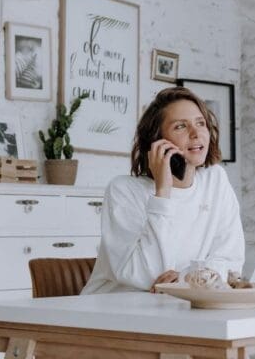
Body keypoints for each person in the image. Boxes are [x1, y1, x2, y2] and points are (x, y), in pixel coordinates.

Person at [81, 86, 245, 294]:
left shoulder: (216, 180)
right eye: (180, 127)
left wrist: (184, 279)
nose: (196, 134)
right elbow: (146, 276)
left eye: (200, 123)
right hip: (112, 311)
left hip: (177, 308)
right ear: (157, 140)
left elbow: (231, 261)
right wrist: (163, 191)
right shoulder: (123, 190)